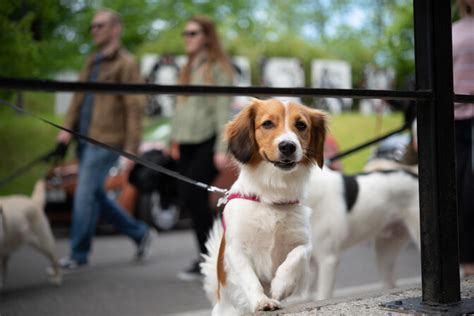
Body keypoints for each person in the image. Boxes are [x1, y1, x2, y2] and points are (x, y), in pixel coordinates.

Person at [56, 9, 151, 269]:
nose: (94, 30)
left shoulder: (126, 63)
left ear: (115, 29)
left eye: (99, 26)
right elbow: (77, 97)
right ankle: (139, 232)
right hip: (83, 139)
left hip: (106, 141)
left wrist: (131, 149)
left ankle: (78, 254)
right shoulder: (92, 60)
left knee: (84, 194)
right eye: (92, 27)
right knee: (96, 194)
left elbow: (134, 107)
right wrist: (66, 129)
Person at [170, 16, 234, 281]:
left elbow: (223, 111)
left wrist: (222, 148)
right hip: (185, 142)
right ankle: (212, 257)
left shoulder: (217, 68)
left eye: (193, 33)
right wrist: (171, 140)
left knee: (195, 197)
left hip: (207, 142)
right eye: (185, 33)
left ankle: (214, 259)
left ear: (207, 36)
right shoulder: (187, 67)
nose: (188, 37)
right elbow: (180, 108)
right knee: (189, 198)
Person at [453, 0, 474, 276]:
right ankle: (469, 272)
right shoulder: (451, 30)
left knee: (471, 193)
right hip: (453, 122)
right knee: (457, 197)